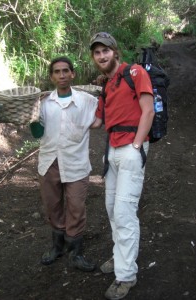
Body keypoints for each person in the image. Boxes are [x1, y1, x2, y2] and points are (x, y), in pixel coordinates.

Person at [90, 32, 155, 299]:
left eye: (106, 50)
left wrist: (137, 146)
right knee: (111, 208)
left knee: (125, 212)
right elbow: (95, 121)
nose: (102, 55)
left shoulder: (136, 72)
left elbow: (148, 110)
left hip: (130, 148)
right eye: (97, 52)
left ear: (115, 52)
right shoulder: (107, 84)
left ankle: (126, 275)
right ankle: (120, 258)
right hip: (112, 150)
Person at [30, 56, 98, 272]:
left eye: (65, 71)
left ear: (73, 74)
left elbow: (99, 120)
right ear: (51, 76)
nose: (61, 75)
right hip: (49, 162)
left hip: (76, 163)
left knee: (76, 207)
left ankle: (75, 252)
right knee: (53, 206)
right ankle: (57, 247)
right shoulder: (43, 103)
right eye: (57, 72)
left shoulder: (87, 101)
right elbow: (37, 134)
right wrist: (31, 117)